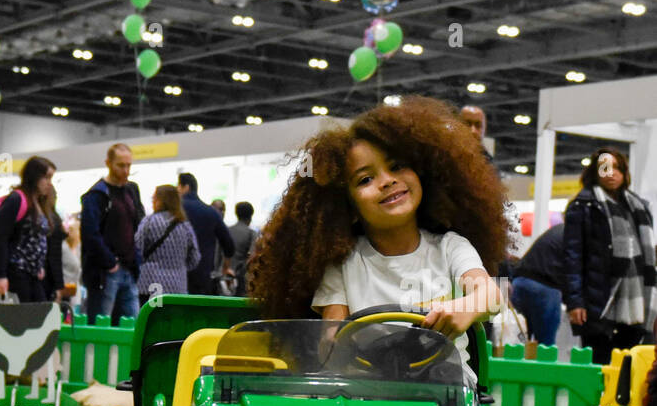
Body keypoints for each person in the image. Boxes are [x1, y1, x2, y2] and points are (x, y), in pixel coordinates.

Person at [249, 96, 509, 357]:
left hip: (447, 392)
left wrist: (466, 308)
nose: (386, 181)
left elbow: (492, 296)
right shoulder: (342, 265)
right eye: (365, 179)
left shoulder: (451, 247)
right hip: (370, 391)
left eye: (396, 166)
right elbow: (331, 338)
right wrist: (337, 343)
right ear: (348, 208)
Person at [562, 147, 657, 364]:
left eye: (616, 168)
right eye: (605, 168)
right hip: (599, 303)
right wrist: (575, 301)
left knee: (628, 368)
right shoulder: (582, 205)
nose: (611, 173)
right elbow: (572, 257)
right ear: (595, 173)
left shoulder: (638, 207)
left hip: (636, 305)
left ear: (624, 173)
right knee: (600, 366)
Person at [80, 143, 145, 324]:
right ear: (108, 163)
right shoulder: (96, 195)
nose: (125, 170)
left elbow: (138, 225)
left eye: (128, 165)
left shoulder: (131, 191)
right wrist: (110, 263)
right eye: (121, 165)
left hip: (129, 269)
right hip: (106, 272)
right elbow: (90, 233)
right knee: (100, 326)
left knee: (132, 326)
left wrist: (136, 258)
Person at [0, 155, 57, 303]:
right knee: (24, 319)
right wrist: (0, 275)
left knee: (40, 316)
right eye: (46, 178)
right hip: (16, 271)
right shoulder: (17, 199)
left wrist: (38, 266)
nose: (49, 184)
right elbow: (0, 237)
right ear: (34, 176)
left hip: (32, 273)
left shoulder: (38, 203)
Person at [135, 185, 200, 306]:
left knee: (153, 318)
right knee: (173, 319)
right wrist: (180, 267)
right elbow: (195, 257)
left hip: (151, 282)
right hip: (178, 284)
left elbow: (137, 248)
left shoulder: (149, 222)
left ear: (159, 200)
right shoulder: (185, 225)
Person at [509, 223, 566, 348]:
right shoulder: (576, 235)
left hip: (519, 282)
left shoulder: (556, 230)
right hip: (545, 287)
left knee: (516, 342)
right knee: (545, 348)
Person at [177, 172, 233, 295]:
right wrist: (225, 267)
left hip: (176, 275)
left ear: (186, 187)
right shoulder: (211, 212)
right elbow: (229, 245)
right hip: (203, 274)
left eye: (178, 187)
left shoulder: (174, 211)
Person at [228, 202, 258, 296]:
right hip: (241, 277)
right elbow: (253, 255)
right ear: (251, 215)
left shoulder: (227, 230)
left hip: (225, 276)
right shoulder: (251, 233)